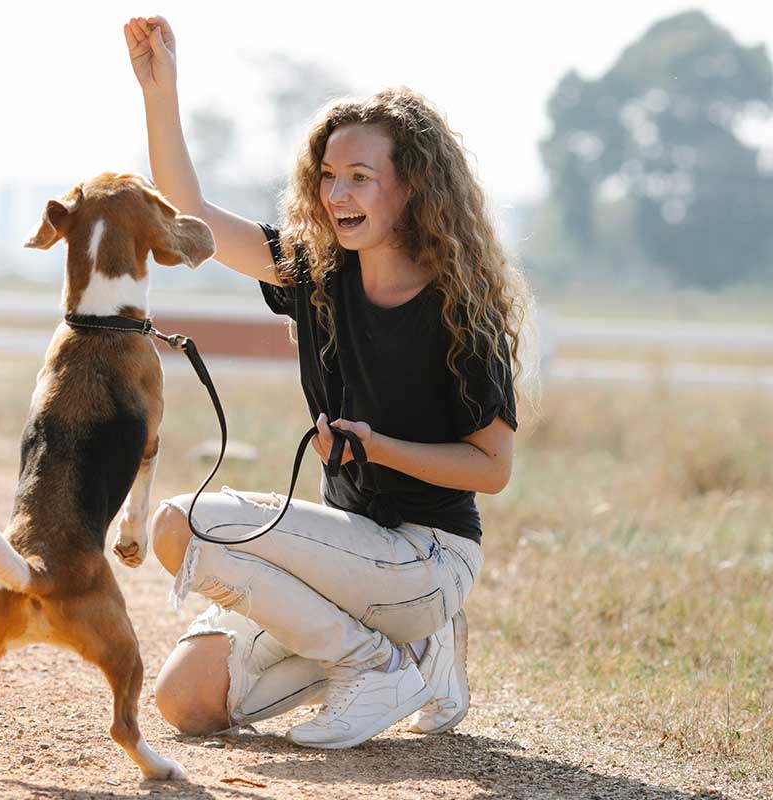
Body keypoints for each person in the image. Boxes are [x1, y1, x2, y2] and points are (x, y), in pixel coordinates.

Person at [123, 16, 534, 750]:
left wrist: (380, 447)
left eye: (360, 177)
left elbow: (493, 470)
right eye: (328, 176)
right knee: (185, 703)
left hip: (427, 557)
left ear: (412, 190)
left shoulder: (460, 310)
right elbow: (193, 217)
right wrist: (161, 92)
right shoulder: (315, 274)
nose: (338, 193)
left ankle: (378, 661)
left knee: (179, 524)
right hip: (347, 558)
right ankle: (415, 658)